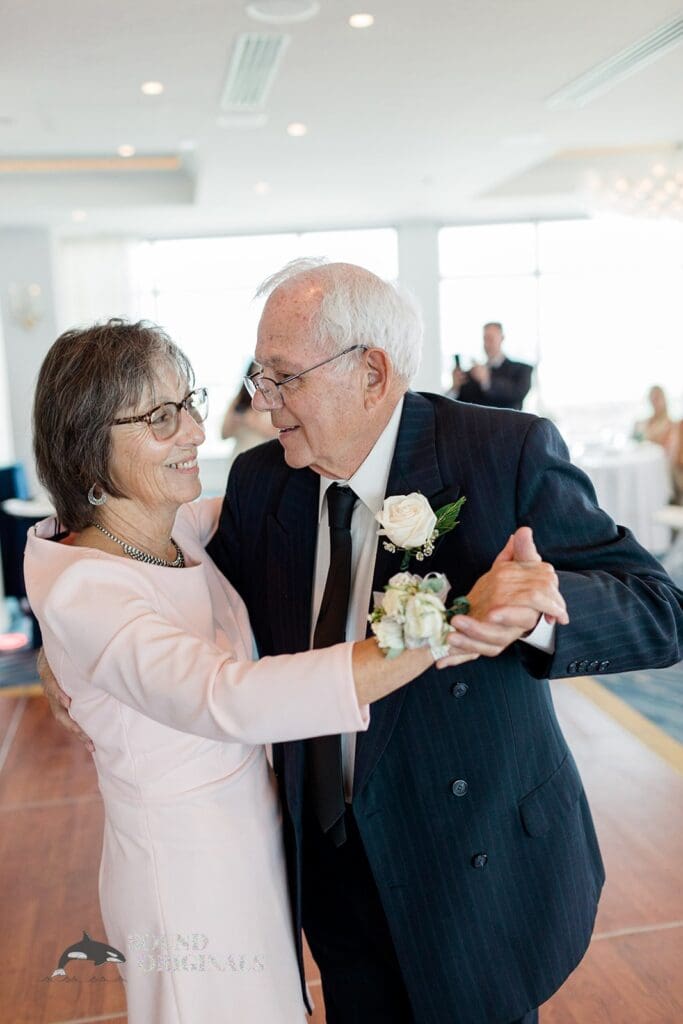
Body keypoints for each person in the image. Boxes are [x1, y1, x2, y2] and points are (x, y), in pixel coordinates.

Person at [201, 260, 681, 1024]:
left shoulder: (501, 452)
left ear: (371, 371)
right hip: (330, 862)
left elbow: (659, 608)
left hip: (473, 867)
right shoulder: (264, 481)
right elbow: (197, 607)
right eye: (261, 376)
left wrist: (538, 615)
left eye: (282, 377)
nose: (262, 401)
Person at [27, 319, 485, 1024]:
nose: (195, 433)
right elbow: (225, 696)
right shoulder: (88, 588)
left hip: (250, 846)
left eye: (189, 402)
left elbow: (288, 511)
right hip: (179, 876)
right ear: (87, 445)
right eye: (160, 418)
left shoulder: (172, 531)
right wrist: (436, 627)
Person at [450, 321, 532, 410]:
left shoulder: (522, 370)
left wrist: (486, 381)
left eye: (491, 339)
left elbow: (516, 395)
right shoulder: (472, 374)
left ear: (502, 338)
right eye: (485, 339)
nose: (487, 344)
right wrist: (455, 387)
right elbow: (457, 405)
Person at [220, 360, 277, 456]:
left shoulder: (276, 400)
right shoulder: (239, 399)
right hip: (239, 456)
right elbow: (223, 434)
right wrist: (235, 422)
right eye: (256, 373)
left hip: (265, 458)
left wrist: (251, 422)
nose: (260, 378)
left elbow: (277, 434)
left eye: (263, 373)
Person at [633, 384, 677, 453]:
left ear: (664, 399)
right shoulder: (641, 423)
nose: (654, 402)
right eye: (652, 398)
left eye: (657, 398)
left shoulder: (672, 425)